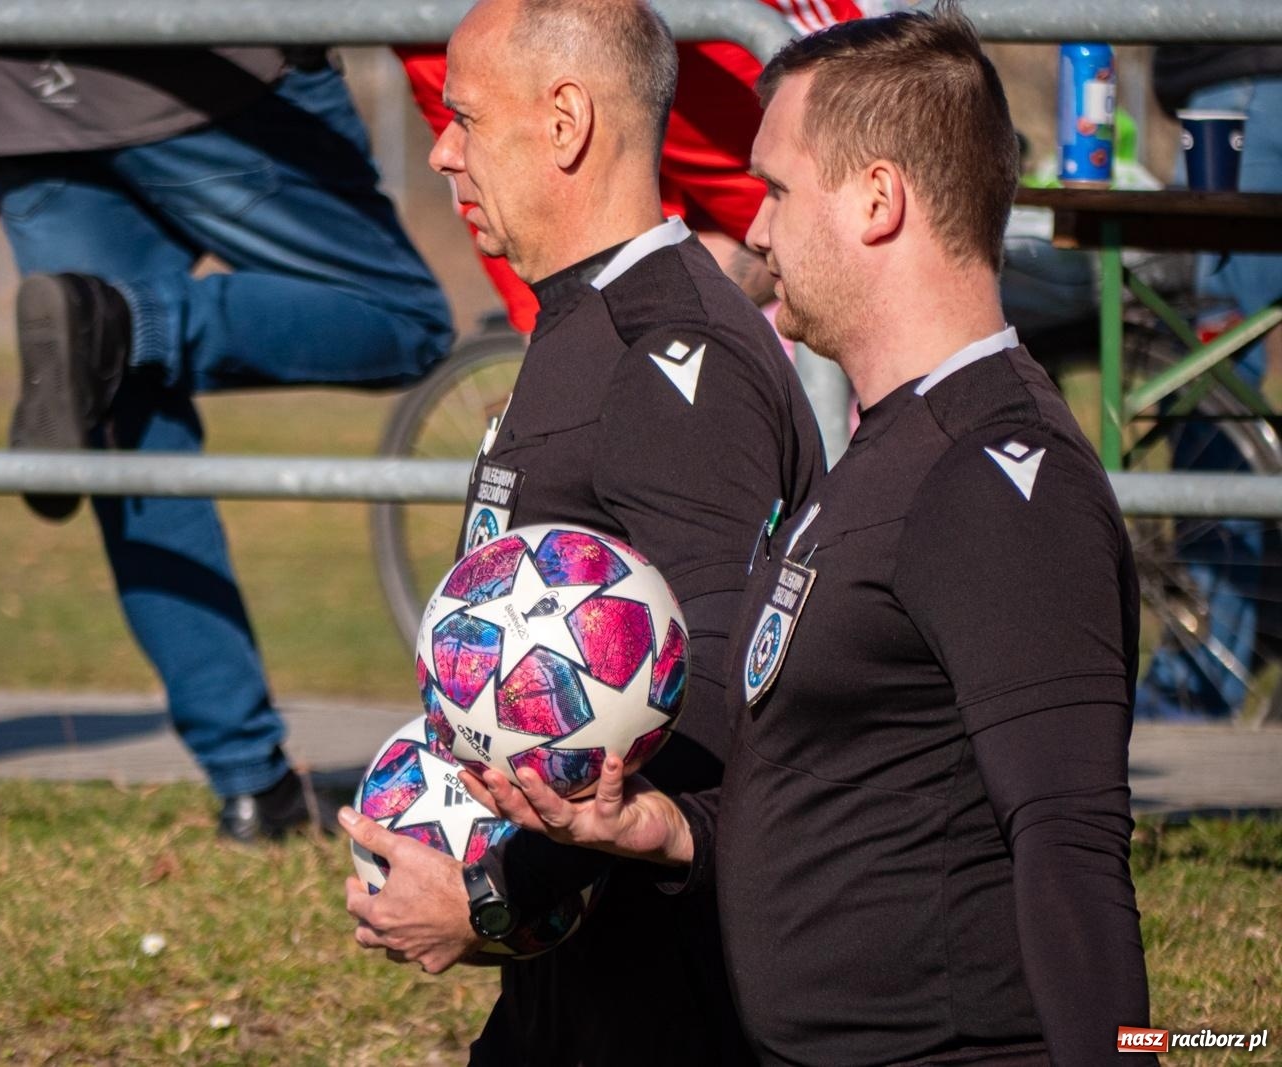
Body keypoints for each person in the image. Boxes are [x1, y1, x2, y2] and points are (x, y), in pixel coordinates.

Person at [474, 5, 1155, 1064]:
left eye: (780, 189)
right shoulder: (887, 455)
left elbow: (1069, 852)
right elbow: (844, 789)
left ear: (877, 199)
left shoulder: (1001, 479)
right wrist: (672, 831)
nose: (754, 227)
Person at [337, 1, 824, 1062]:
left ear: (564, 121)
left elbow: (709, 704)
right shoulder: (588, 320)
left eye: (464, 116)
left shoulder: (673, 354)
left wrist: (492, 894)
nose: (441, 148)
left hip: (675, 1007)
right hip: (575, 992)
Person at [0, 48, 454, 839]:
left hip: (7, 91)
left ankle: (253, 783)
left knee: (116, 395)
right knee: (402, 318)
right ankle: (136, 325)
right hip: (194, 68)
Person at [395, 0, 867, 334]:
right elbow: (468, 149)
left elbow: (859, 78)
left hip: (842, 194)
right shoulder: (443, 35)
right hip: (728, 227)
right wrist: (549, 331)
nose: (442, 157)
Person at [1136, 46, 1282, 721]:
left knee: (1213, 372)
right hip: (1238, 81)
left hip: (1250, 78)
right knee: (1211, 367)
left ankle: (1192, 692)